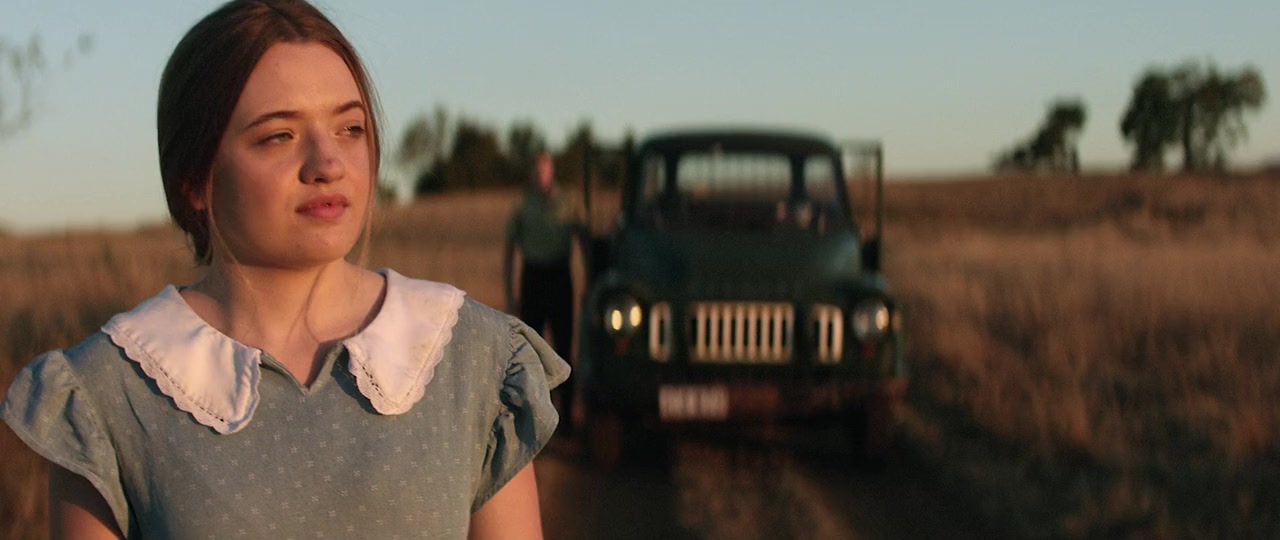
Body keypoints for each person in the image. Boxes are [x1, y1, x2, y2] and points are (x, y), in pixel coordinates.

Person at [0, 1, 567, 538]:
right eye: (279, 136)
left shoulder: (471, 357)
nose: (328, 163)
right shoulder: (109, 392)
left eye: (350, 129)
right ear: (194, 179)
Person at [504, 152, 581, 434]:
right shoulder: (523, 204)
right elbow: (509, 249)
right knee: (532, 349)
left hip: (559, 276)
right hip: (533, 277)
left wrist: (590, 283)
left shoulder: (568, 201)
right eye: (536, 171)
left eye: (545, 170)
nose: (541, 176)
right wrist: (510, 291)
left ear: (552, 171)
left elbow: (583, 239)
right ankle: (535, 418)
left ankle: (568, 417)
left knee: (564, 345)